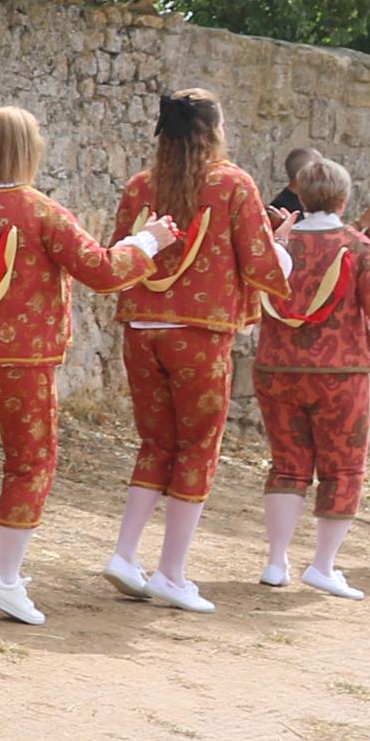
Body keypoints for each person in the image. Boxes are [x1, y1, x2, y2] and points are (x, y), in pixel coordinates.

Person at [0, 106, 171, 624]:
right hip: (20, 359)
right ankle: (4, 578)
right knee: (30, 461)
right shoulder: (42, 211)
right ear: (28, 151)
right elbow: (102, 270)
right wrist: (147, 242)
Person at [104, 90, 280, 614]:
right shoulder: (232, 184)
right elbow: (259, 259)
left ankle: (124, 554)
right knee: (198, 446)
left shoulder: (141, 186)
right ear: (214, 130)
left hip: (141, 329)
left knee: (155, 442)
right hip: (199, 333)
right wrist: (281, 244)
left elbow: (122, 248)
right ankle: (172, 573)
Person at [249, 157, 370, 600]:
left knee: (287, 466)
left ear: (301, 196)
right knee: (343, 469)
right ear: (344, 199)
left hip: (277, 366)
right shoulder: (357, 246)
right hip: (341, 372)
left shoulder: (275, 243)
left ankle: (275, 562)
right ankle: (323, 565)